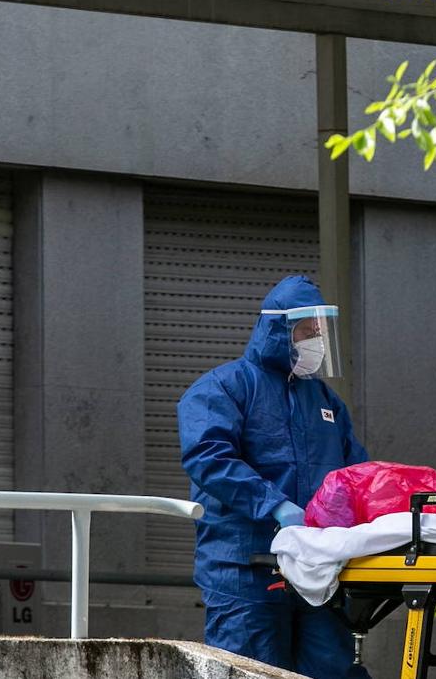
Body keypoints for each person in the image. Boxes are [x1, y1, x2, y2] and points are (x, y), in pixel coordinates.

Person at [178, 275, 371, 678]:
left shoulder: (325, 402)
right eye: (306, 331)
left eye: (318, 331)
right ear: (277, 330)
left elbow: (357, 476)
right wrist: (275, 505)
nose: (314, 340)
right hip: (246, 570)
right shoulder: (224, 388)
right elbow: (208, 457)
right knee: (252, 671)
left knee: (332, 669)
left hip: (317, 571)